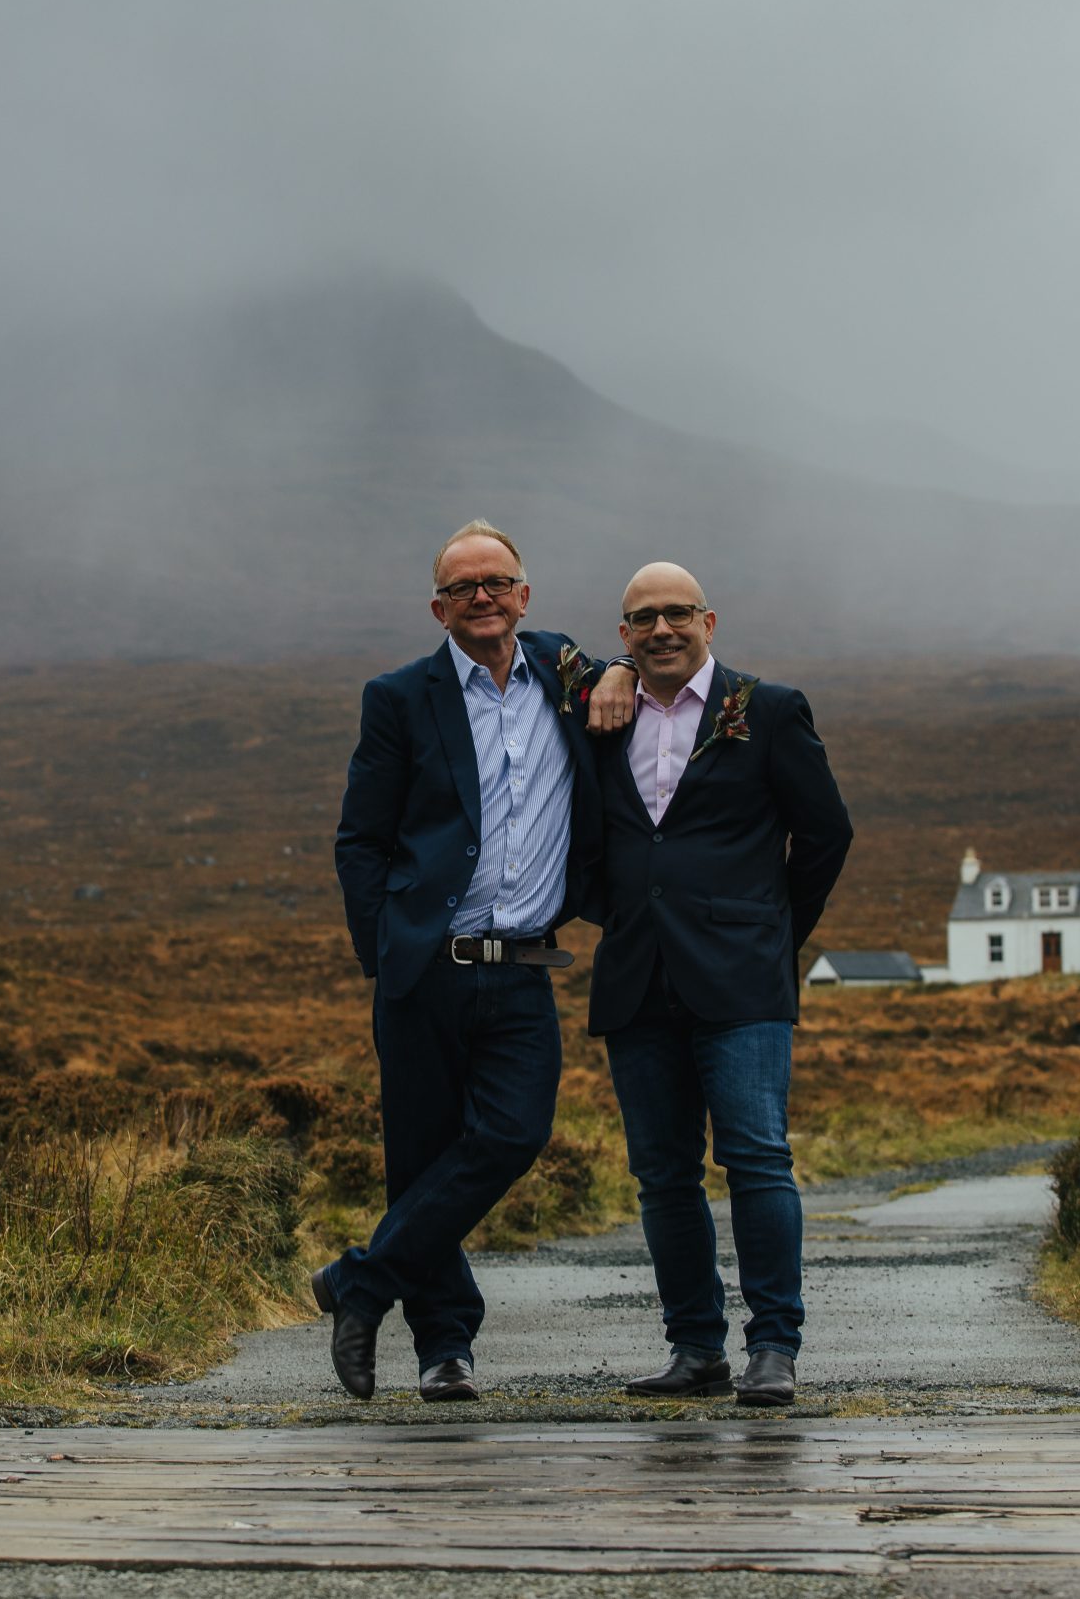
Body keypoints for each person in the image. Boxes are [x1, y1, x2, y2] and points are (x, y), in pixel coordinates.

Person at [325, 520, 611, 1402]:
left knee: (513, 1135)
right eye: (463, 587)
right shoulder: (400, 696)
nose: (482, 597)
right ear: (439, 607)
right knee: (419, 1157)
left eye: (498, 582)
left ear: (525, 595)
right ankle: (444, 1348)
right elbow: (361, 839)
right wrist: (388, 952)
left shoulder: (569, 675)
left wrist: (628, 671)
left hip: (522, 965)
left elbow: (624, 667)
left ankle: (359, 1283)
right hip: (426, 967)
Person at [585, 562, 852, 1407]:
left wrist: (772, 932)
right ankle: (694, 1346)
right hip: (637, 976)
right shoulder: (601, 711)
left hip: (743, 979)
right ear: (622, 634)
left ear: (710, 620)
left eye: (677, 614)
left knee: (757, 1160)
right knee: (662, 1174)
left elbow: (826, 832)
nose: (662, 629)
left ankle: (774, 1344)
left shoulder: (767, 710)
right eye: (641, 620)